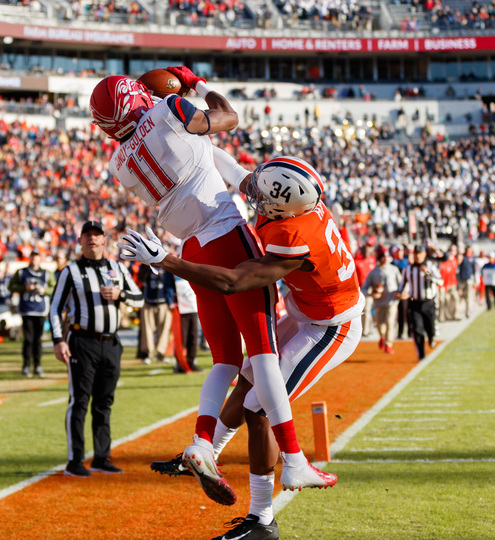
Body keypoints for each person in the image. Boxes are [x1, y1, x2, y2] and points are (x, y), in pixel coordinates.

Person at [90, 70, 330, 502]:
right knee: (263, 353)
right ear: (135, 96)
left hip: (192, 247)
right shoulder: (168, 109)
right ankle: (294, 458)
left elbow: (201, 151)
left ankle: (202, 442)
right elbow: (227, 116)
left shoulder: (118, 164)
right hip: (222, 233)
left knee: (224, 358)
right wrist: (196, 85)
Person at [120, 155, 363, 540]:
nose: (255, 196)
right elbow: (237, 173)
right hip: (306, 314)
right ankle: (204, 455)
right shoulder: (294, 205)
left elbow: (233, 282)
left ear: (282, 206)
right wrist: (197, 143)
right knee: (247, 389)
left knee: (258, 407)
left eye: (264, 197)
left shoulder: (294, 236)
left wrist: (165, 260)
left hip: (329, 328)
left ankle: (262, 519)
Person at [49, 221, 144, 477]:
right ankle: (75, 460)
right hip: (83, 342)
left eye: (97, 235)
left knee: (104, 402)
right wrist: (58, 340)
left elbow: (139, 299)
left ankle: (102, 457)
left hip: (111, 343)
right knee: (79, 401)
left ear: (105, 240)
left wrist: (120, 294)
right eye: (87, 235)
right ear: (80, 241)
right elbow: (55, 307)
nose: (92, 239)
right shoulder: (71, 271)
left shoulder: (117, 268)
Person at [9, 250, 56, 377]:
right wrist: (25, 288)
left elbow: (54, 288)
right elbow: (11, 286)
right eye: (33, 257)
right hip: (27, 309)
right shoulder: (22, 272)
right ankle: (26, 366)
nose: (34, 260)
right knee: (28, 339)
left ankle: (38, 365)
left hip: (40, 310)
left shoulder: (47, 273)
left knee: (38, 339)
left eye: (37, 257)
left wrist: (44, 290)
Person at [399, 244, 441, 361]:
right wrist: (400, 292)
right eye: (416, 254)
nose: (417, 256)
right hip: (414, 301)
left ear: (424, 254)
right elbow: (403, 283)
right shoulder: (408, 269)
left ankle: (432, 337)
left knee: (430, 328)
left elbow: (440, 281)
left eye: (420, 254)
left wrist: (427, 273)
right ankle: (421, 355)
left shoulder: (430, 266)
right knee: (417, 330)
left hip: (429, 301)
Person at [363, 249, 402, 354]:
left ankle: (388, 344)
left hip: (392, 301)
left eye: (386, 256)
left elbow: (401, 283)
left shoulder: (393, 269)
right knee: (380, 324)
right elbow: (365, 287)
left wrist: (399, 292)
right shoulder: (373, 272)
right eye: (383, 257)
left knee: (390, 322)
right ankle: (383, 337)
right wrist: (371, 294)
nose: (385, 259)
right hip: (379, 302)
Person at [137, 263, 175, 365]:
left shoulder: (167, 265)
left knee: (164, 330)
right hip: (148, 301)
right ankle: (146, 354)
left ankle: (160, 353)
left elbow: (172, 283)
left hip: (164, 302)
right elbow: (140, 278)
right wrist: (148, 265)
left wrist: (171, 300)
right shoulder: (145, 266)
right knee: (147, 330)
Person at [173, 275, 203, 373]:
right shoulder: (173, 271)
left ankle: (191, 362)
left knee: (193, 337)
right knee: (182, 338)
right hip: (181, 309)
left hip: (193, 308)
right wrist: (170, 301)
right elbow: (169, 286)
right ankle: (180, 364)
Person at [456, 245, 477, 318]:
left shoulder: (473, 258)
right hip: (461, 280)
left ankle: (467, 311)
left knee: (468, 296)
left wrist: (475, 280)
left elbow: (474, 270)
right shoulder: (462, 257)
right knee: (460, 296)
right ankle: (459, 312)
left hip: (469, 280)